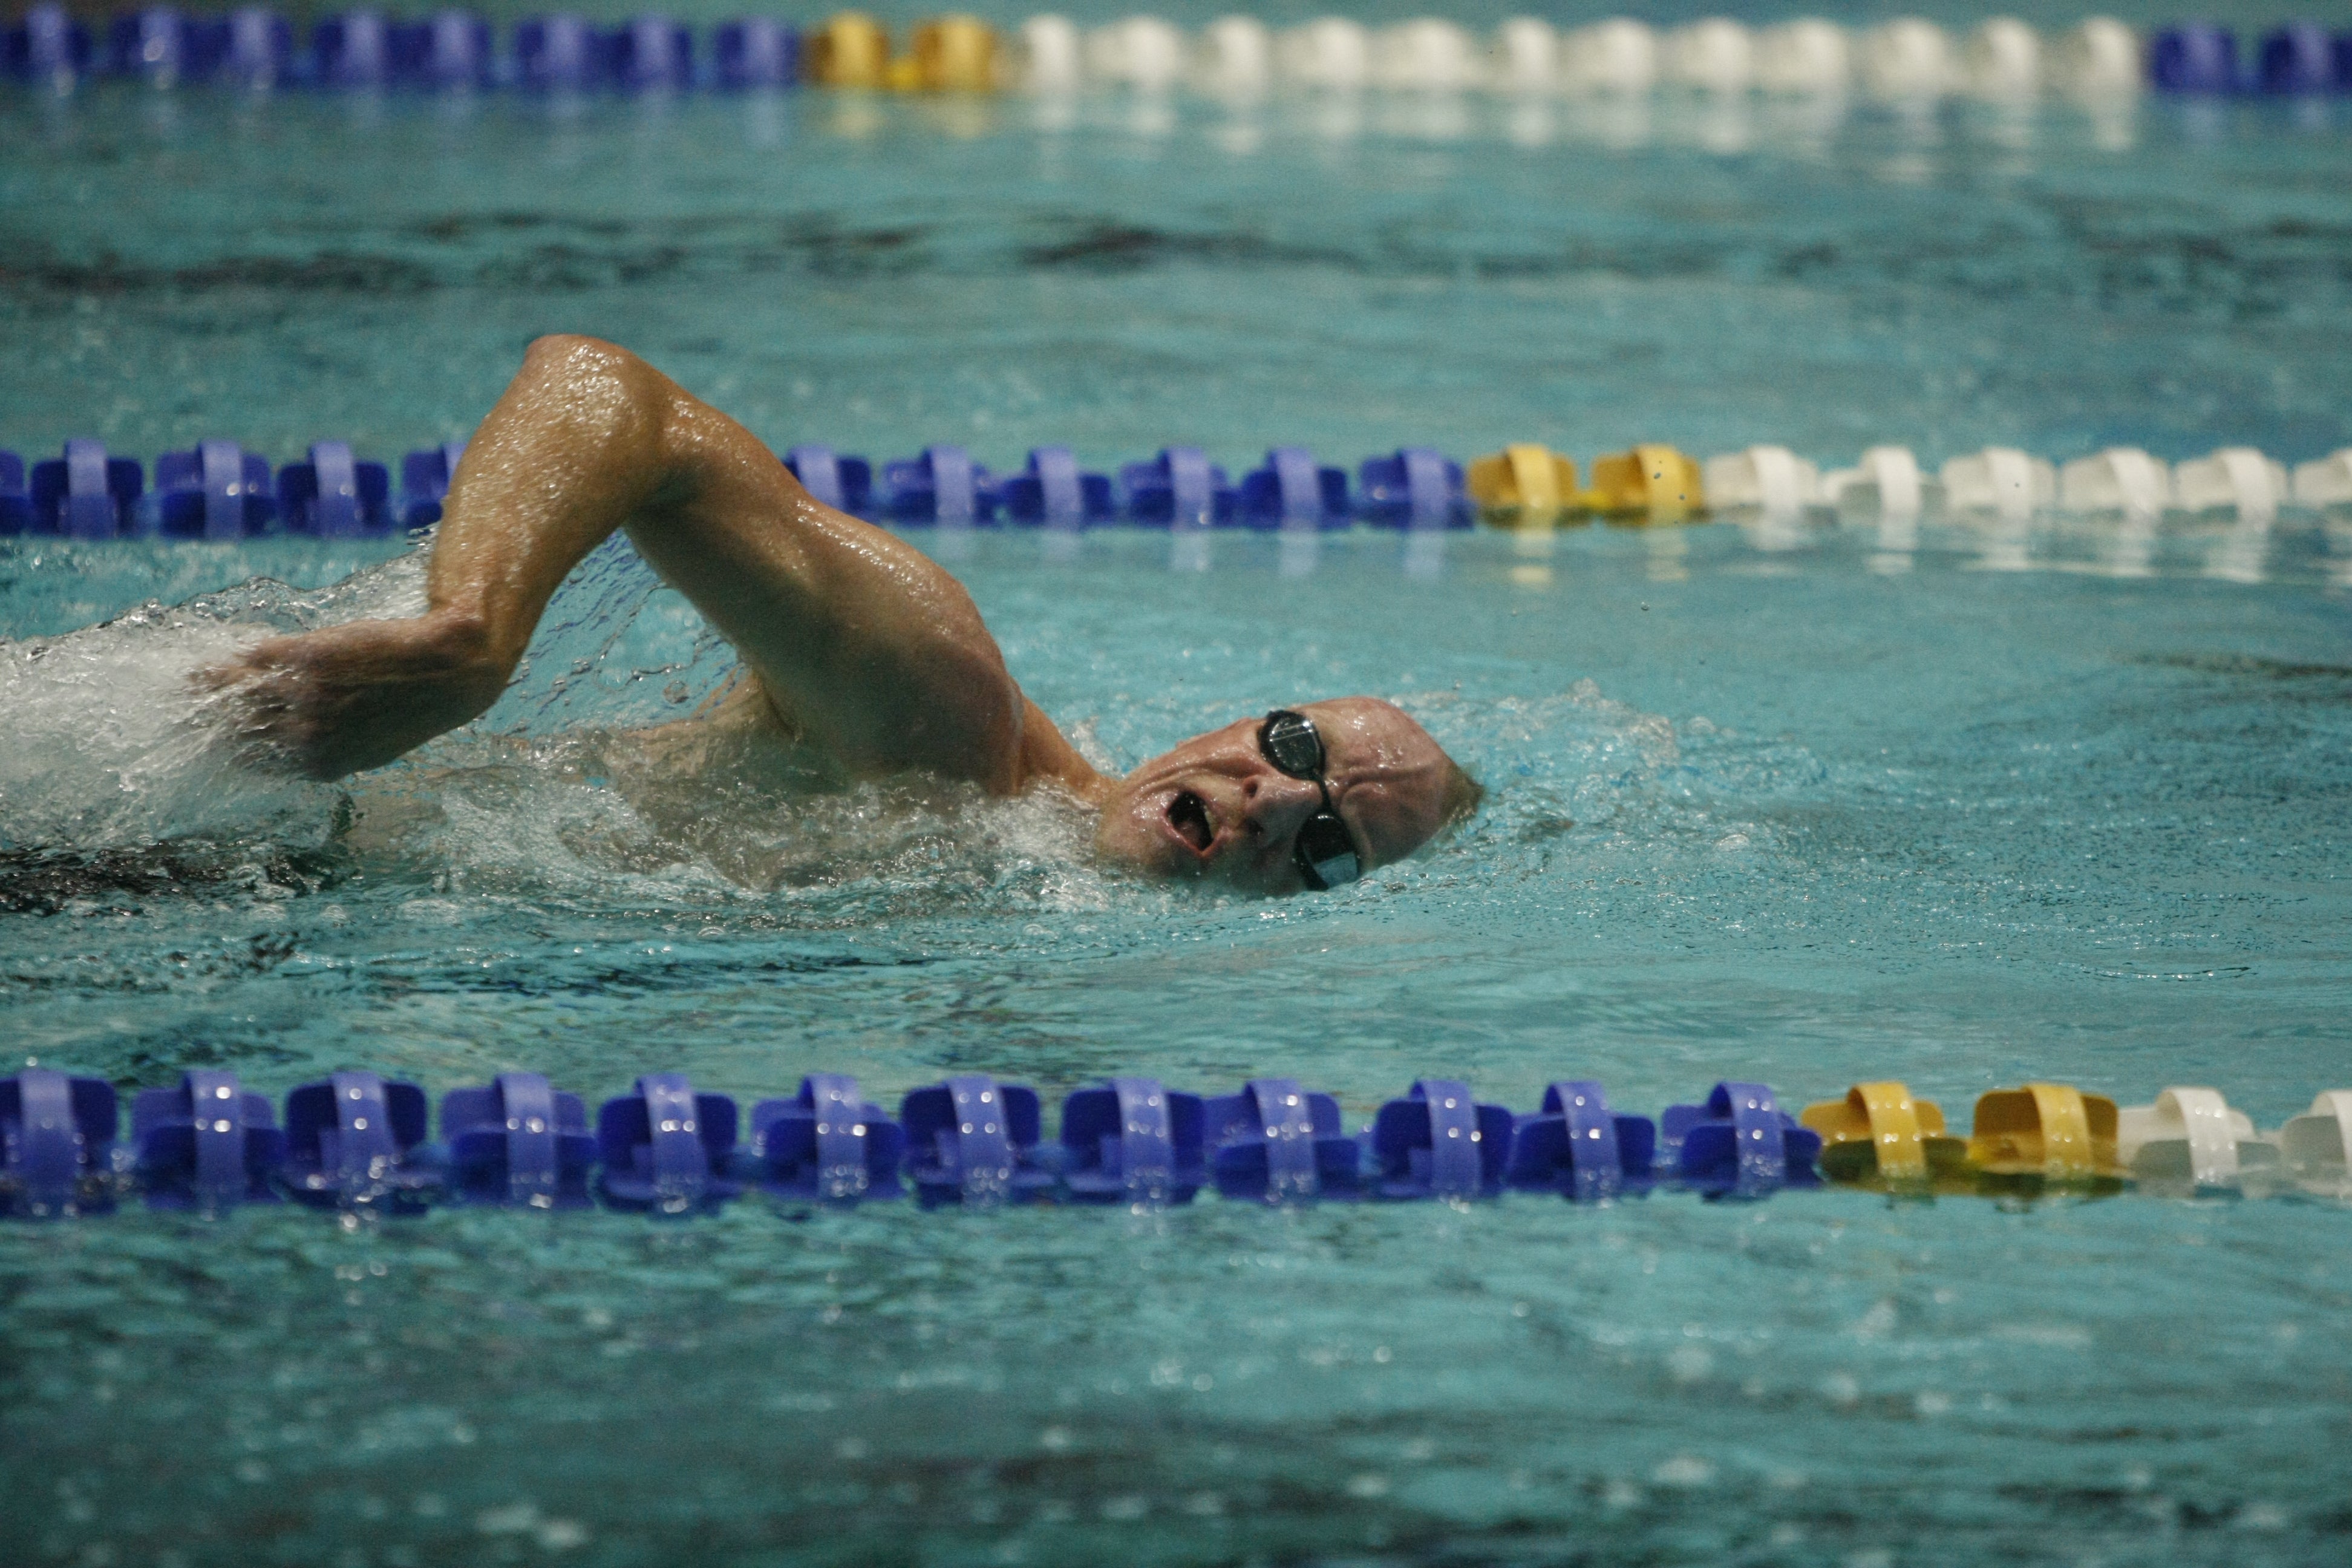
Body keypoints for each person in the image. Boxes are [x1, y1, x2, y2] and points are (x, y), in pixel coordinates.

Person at [203, 336, 1481, 893]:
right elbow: (612, 396)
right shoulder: (944, 716)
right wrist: (468, 640)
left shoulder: (1000, 872)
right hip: (216, 839)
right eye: (1299, 752)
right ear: (1241, 716)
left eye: (1328, 852)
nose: (1277, 805)